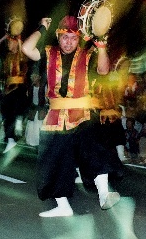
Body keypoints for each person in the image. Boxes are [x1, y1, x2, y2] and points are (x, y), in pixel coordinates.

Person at [21, 15, 123, 217]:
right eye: (64, 37)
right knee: (55, 160)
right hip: (56, 116)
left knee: (94, 150)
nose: (69, 42)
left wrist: (101, 46)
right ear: (58, 37)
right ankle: (63, 206)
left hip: (83, 113)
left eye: (73, 38)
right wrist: (42, 28)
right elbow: (26, 48)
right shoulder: (48, 53)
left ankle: (104, 194)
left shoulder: (88, 54)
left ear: (79, 39)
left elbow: (103, 70)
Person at [0, 17, 29, 153]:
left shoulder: (20, 54)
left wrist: (18, 37)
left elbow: (23, 53)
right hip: (8, 89)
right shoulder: (6, 55)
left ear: (15, 43)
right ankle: (11, 139)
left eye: (10, 42)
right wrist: (5, 36)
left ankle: (13, 135)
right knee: (7, 114)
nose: (8, 45)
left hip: (19, 88)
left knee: (14, 112)